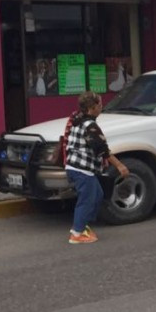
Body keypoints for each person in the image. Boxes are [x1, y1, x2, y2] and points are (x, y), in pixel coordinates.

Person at [62, 91, 129, 244]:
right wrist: (120, 166)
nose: (102, 107)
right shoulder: (90, 126)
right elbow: (102, 150)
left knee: (97, 195)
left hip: (75, 167)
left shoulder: (77, 119)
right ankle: (77, 233)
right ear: (92, 108)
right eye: (99, 104)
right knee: (87, 199)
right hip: (81, 169)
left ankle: (83, 225)